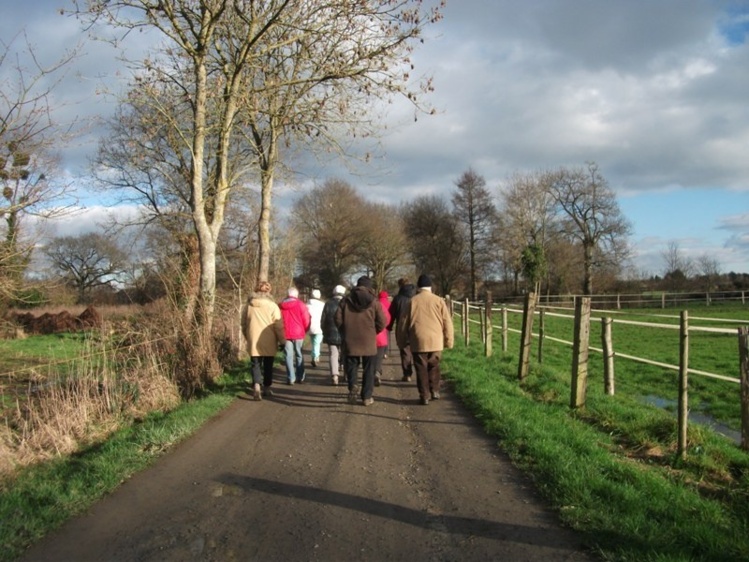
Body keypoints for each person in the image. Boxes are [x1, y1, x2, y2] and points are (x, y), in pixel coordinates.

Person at [397, 274, 454, 405]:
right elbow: (447, 322)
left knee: (421, 367)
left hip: (418, 339)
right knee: (434, 365)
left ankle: (424, 395)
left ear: (418, 286)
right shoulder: (439, 301)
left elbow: (402, 323)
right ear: (430, 286)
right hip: (436, 340)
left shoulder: (412, 301)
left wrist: (401, 341)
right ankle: (435, 390)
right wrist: (448, 340)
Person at [335, 276, 386, 406]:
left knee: (352, 366)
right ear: (369, 287)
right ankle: (367, 397)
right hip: (369, 340)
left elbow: (337, 318)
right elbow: (382, 321)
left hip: (350, 339)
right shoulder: (374, 302)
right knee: (369, 369)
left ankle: (353, 386)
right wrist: (374, 332)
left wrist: (344, 331)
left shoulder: (346, 300)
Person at [240, 281, 286, 400]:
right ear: (269, 291)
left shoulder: (249, 305)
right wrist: (282, 341)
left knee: (255, 364)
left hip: (253, 338)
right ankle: (266, 387)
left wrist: (247, 335)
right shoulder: (272, 306)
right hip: (269, 339)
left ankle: (256, 386)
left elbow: (243, 323)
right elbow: (278, 325)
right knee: (268, 365)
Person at [279, 287, 311, 384]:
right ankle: (300, 376)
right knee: (299, 355)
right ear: (296, 295)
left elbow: (278, 320)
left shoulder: (280, 305)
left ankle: (290, 377)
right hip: (298, 333)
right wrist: (305, 330)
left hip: (285, 333)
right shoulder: (301, 305)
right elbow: (306, 320)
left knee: (288, 356)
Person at [387, 277, 416, 382]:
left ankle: (407, 374)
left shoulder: (398, 299)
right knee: (417, 350)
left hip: (402, 327)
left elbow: (391, 314)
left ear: (400, 286)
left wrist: (389, 326)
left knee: (405, 351)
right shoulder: (415, 297)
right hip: (416, 326)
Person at [321, 285, 346, 385]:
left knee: (333, 354)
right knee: (345, 353)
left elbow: (323, 320)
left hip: (331, 333)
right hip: (344, 332)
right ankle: (345, 372)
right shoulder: (347, 303)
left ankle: (334, 375)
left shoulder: (328, 303)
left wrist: (324, 331)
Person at [374, 290, 391, 386]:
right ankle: (377, 371)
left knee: (369, 358)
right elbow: (388, 318)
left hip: (368, 337)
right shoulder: (382, 305)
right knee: (378, 357)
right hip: (381, 335)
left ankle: (371, 373)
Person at [307, 289, 325, 367]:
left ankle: (314, 356)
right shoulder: (323, 305)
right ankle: (315, 357)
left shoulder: (306, 305)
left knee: (313, 342)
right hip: (319, 326)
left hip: (309, 326)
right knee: (317, 343)